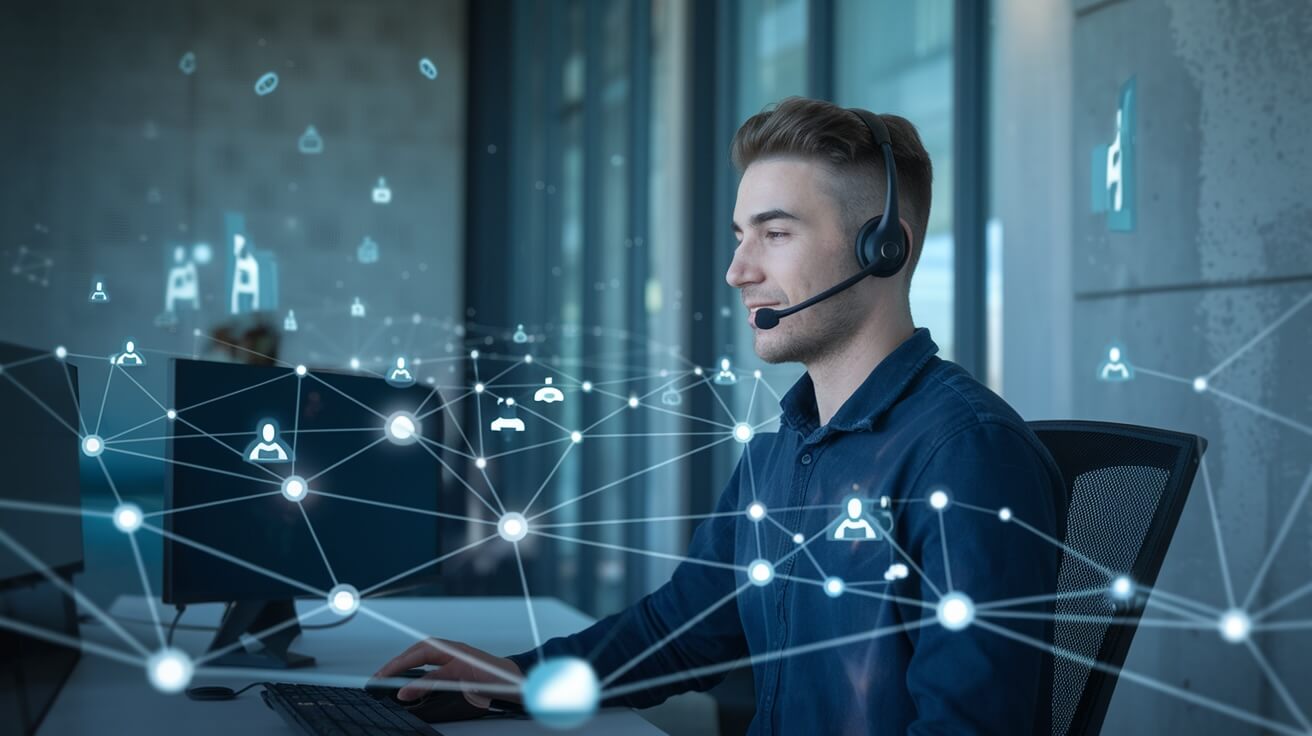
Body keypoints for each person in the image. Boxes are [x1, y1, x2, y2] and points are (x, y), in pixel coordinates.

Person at [375, 97, 1065, 733]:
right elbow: (685, 627)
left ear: (884, 250)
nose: (737, 270)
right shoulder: (782, 449)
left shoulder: (967, 454)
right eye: (740, 235)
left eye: (774, 234)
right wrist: (517, 675)